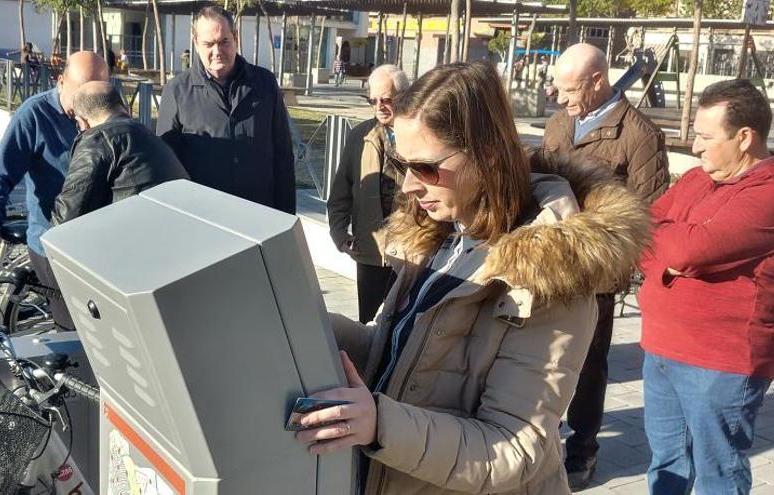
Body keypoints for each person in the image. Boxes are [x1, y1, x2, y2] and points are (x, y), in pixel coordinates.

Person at [295, 61, 649, 495]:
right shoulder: (441, 233)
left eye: (424, 167)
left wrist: (379, 424)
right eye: (399, 162)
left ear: (487, 154)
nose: (407, 185)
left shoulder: (552, 275)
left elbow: (513, 450)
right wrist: (312, 328)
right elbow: (401, 356)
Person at [542, 42, 670, 491]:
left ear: (597, 81)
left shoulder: (639, 135)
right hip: (552, 266)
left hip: (596, 274)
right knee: (545, 357)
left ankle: (582, 450)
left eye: (569, 89)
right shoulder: (561, 122)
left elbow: (650, 213)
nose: (560, 99)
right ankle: (542, 441)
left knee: (589, 365)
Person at [639, 79, 774, 495]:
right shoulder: (698, 179)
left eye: (704, 137)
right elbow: (637, 230)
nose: (694, 147)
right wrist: (673, 250)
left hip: (720, 363)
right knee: (666, 464)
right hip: (660, 347)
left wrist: (676, 249)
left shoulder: (767, 193)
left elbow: (689, 250)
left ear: (745, 137)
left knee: (719, 474)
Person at [0, 51, 109, 332]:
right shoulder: (34, 114)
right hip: (53, 245)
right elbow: (0, 173)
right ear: (61, 82)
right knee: (74, 334)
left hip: (99, 245)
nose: (90, 102)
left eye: (99, 91)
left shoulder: (107, 112)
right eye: (81, 92)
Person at [157, 6, 295, 214]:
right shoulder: (177, 90)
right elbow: (165, 164)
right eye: (208, 44)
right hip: (203, 217)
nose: (217, 51)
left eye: (224, 42)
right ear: (195, 42)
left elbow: (283, 154)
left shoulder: (265, 84)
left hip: (259, 214)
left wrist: (286, 216)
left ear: (236, 38)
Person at [326, 65, 407, 323]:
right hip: (370, 254)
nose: (379, 106)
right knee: (369, 328)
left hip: (411, 254)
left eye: (386, 99)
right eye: (373, 100)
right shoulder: (360, 135)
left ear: (404, 96)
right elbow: (340, 194)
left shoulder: (422, 133)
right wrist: (340, 235)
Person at [52, 81, 189, 225]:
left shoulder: (96, 140)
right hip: (171, 230)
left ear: (82, 122)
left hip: (133, 237)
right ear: (124, 107)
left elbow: (67, 216)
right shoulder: (149, 136)